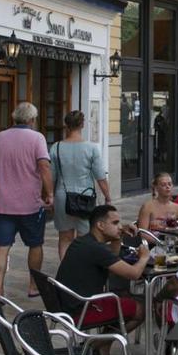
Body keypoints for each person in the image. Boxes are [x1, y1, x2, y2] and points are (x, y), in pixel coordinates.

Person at [54, 205, 148, 355]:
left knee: (122, 300)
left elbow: (112, 256)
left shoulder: (85, 241)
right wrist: (144, 257)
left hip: (68, 304)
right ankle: (93, 345)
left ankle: (102, 351)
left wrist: (118, 236)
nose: (120, 226)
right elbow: (133, 274)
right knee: (142, 309)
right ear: (100, 225)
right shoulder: (95, 249)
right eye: (115, 223)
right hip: (81, 310)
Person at [0, 102, 53, 297]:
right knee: (35, 244)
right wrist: (49, 194)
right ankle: (33, 286)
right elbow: (44, 166)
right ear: (32, 120)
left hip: (3, 203)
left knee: (2, 246)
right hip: (29, 205)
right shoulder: (37, 138)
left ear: (14, 118)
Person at [50, 110, 111, 261]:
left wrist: (48, 196)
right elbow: (100, 177)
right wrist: (108, 197)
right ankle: (82, 269)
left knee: (64, 237)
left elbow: (51, 177)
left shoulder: (56, 147)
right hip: (85, 197)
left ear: (66, 126)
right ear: (82, 125)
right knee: (85, 237)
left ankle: (66, 270)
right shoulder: (91, 148)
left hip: (62, 197)